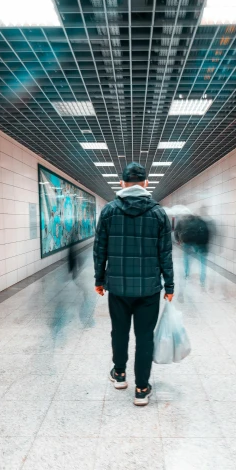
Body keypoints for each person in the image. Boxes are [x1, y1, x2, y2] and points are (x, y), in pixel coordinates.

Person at [94, 162, 174, 406]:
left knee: (119, 331)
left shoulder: (108, 211)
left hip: (117, 287)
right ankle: (141, 388)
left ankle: (119, 374)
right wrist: (169, 285)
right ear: (146, 183)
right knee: (145, 337)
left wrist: (99, 279)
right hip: (149, 288)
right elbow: (165, 254)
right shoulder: (158, 213)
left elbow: (100, 250)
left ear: (122, 183)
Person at [178, 213, 210, 287]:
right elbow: (206, 234)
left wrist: (180, 240)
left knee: (186, 259)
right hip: (201, 245)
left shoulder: (186, 223)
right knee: (202, 262)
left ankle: (186, 273)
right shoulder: (202, 223)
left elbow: (181, 232)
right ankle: (202, 278)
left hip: (188, 244)